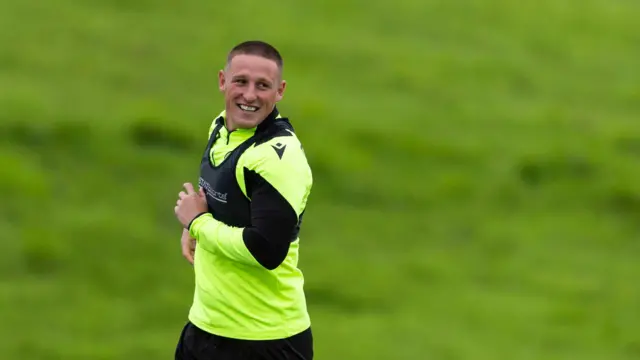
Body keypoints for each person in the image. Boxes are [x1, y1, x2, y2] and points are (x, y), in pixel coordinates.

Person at [172, 40, 314, 360]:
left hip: (265, 341)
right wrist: (196, 226)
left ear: (280, 91)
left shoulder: (277, 157)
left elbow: (265, 248)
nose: (249, 95)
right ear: (223, 81)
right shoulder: (221, 127)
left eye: (263, 86)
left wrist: (198, 223)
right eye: (241, 82)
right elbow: (224, 197)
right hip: (206, 329)